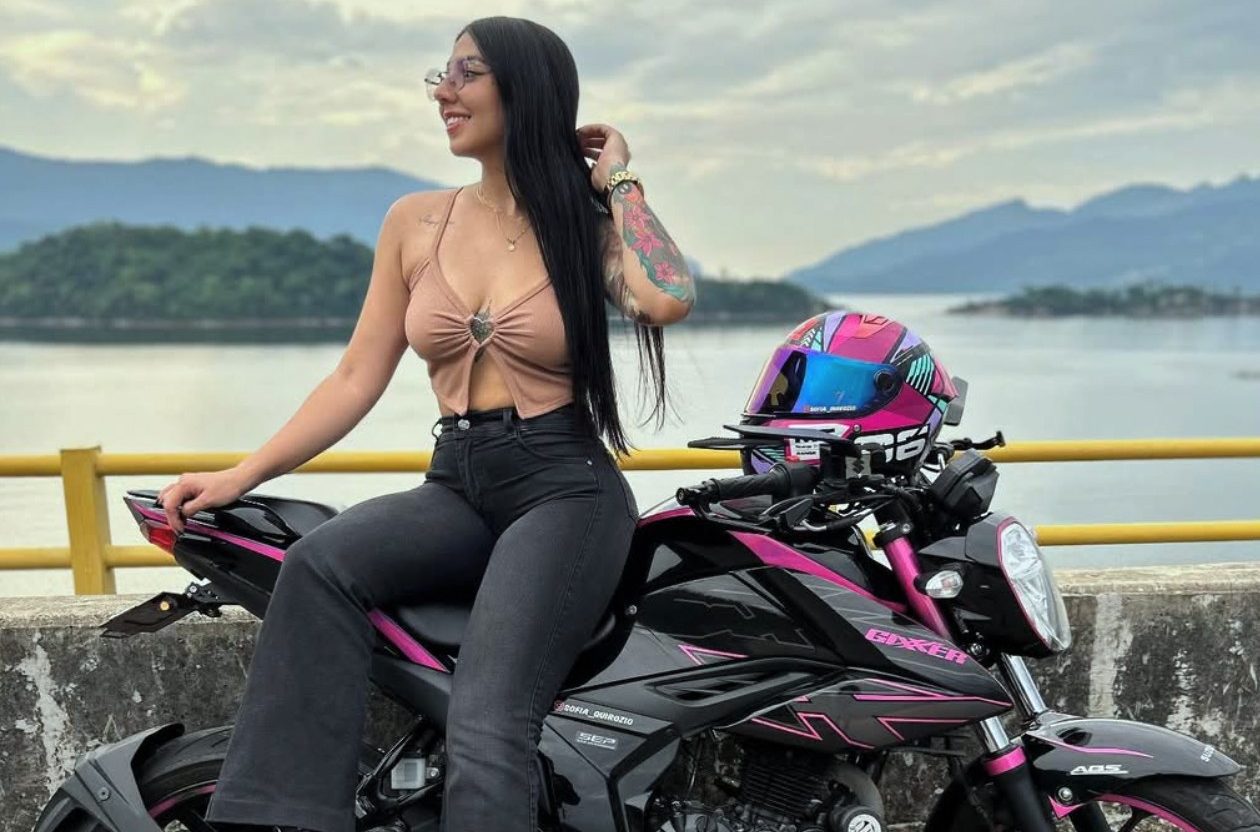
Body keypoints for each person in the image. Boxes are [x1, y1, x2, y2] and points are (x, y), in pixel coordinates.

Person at [155, 15, 695, 832]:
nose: (444, 91)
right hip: (458, 485)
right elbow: (354, 377)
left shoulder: (584, 233)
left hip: (565, 492)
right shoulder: (415, 222)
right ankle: (281, 821)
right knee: (318, 567)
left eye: (466, 73)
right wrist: (242, 475)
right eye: (441, 74)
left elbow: (667, 298)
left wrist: (619, 180)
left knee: (487, 715)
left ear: (526, 89)